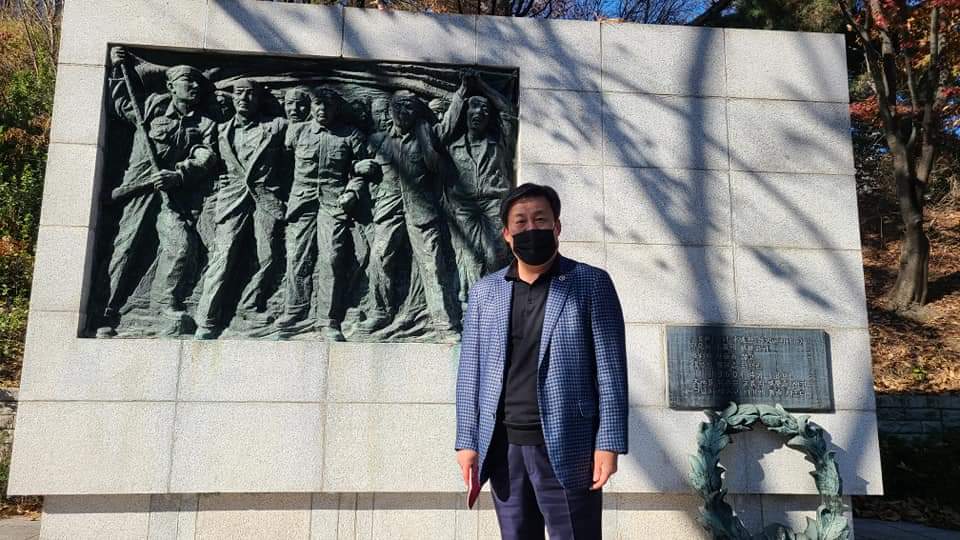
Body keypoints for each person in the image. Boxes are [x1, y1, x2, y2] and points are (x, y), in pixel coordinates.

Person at [454, 183, 628, 539]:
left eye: (540, 219)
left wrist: (608, 443)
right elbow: (470, 373)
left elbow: (611, 372)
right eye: (520, 222)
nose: (531, 228)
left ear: (556, 226)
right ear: (507, 234)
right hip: (503, 448)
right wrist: (467, 441)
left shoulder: (590, 283)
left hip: (569, 445)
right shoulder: (486, 292)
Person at [95, 47, 217, 338]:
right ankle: (105, 312)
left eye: (198, 82)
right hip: (137, 192)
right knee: (126, 248)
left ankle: (164, 305)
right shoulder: (151, 107)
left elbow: (207, 156)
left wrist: (180, 174)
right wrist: (117, 69)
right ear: (171, 86)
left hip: (171, 195)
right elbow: (119, 103)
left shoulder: (204, 124)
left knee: (180, 246)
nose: (194, 86)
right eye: (188, 81)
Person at [276, 87, 379, 341]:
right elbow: (280, 167)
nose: (322, 109)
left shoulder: (350, 135)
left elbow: (362, 171)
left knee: (331, 258)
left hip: (333, 204)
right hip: (301, 204)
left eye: (327, 105)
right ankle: (295, 312)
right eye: (317, 104)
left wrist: (352, 191)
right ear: (311, 107)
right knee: (297, 257)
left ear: (336, 109)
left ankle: (328, 319)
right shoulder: (296, 132)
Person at [194, 79, 287, 338]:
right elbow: (204, 155)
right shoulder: (220, 130)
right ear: (232, 97)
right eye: (239, 93)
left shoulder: (276, 126)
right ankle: (206, 321)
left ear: (259, 99)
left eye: (250, 94)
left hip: (265, 199)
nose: (244, 98)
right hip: (231, 199)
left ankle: (248, 306)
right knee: (222, 256)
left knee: (267, 256)